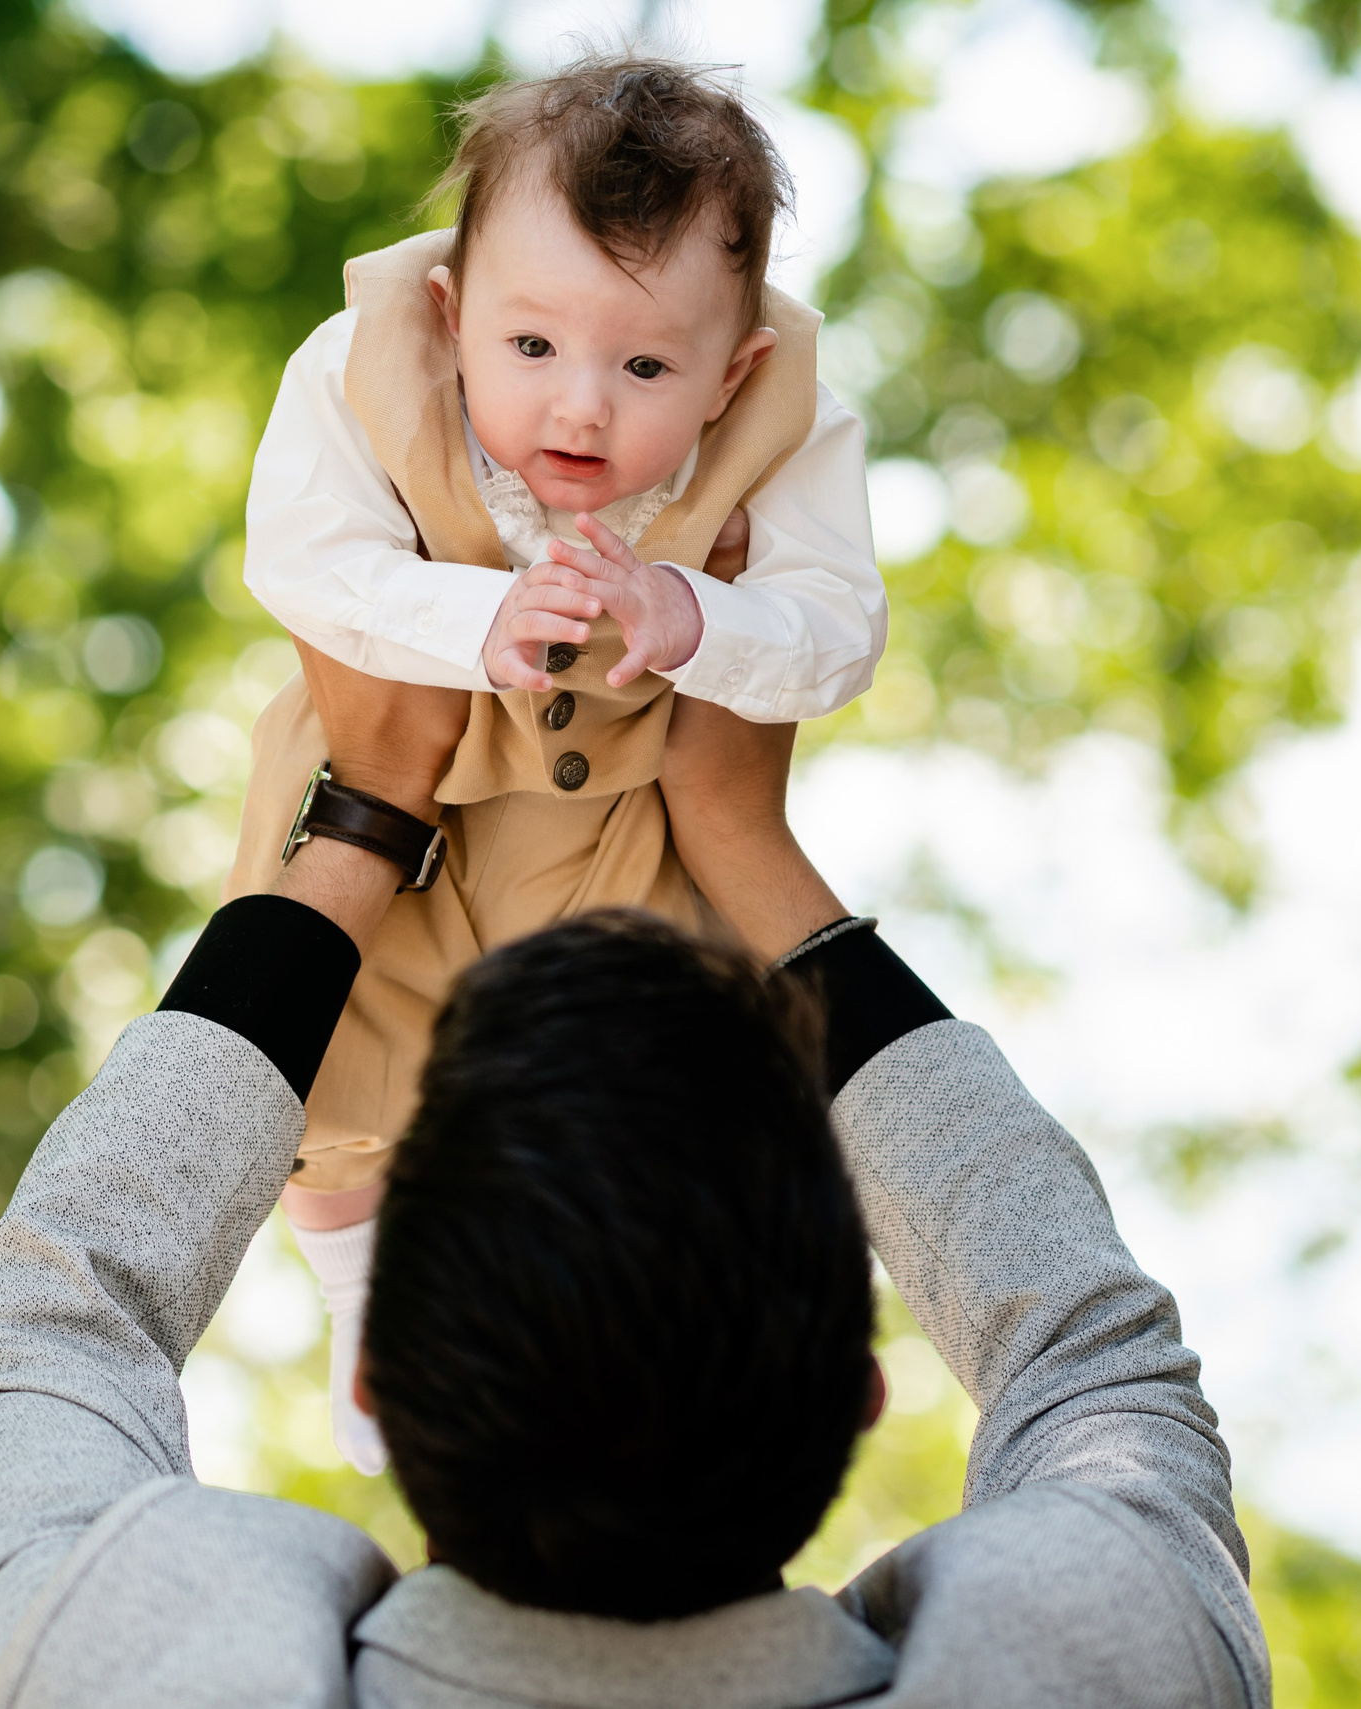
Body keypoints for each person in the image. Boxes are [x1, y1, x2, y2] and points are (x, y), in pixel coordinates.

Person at [0, 655, 1268, 1708]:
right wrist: (742, 839)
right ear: (862, 1397)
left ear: (368, 1366)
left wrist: (363, 815)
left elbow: (47, 1328)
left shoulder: (105, 1662)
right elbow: (1099, 1368)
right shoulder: (1108, 1658)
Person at [226, 56, 888, 1471]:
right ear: (459, 310)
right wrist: (480, 618)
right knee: (324, 1091)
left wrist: (698, 613)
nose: (580, 409)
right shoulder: (357, 369)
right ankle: (361, 1299)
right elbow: (301, 559)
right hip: (404, 826)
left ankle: (664, 1352)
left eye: (646, 367)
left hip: (639, 839)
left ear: (737, 366)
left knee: (655, 1111)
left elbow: (836, 634)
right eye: (531, 350)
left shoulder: (800, 427)